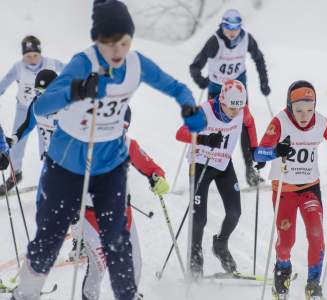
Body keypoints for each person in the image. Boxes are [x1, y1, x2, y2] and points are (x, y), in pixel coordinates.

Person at [11, 1, 205, 300]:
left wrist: (189, 106)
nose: (117, 51)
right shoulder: (82, 63)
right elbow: (42, 105)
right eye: (108, 43)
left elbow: (176, 86)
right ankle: (23, 294)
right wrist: (76, 91)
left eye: (124, 43)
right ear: (96, 40)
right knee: (48, 242)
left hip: (109, 165)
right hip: (66, 165)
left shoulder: (137, 64)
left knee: (118, 242)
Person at [253, 81, 327, 300]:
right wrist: (275, 151)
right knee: (286, 241)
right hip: (285, 190)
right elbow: (258, 154)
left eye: (310, 109)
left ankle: (313, 284)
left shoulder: (321, 122)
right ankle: (282, 271)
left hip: (310, 188)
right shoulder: (280, 122)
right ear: (289, 106)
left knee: (316, 235)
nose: (304, 115)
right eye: (299, 110)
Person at [176, 79, 258, 278]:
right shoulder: (204, 112)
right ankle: (195, 259)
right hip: (200, 164)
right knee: (199, 219)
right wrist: (204, 138)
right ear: (221, 101)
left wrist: (254, 149)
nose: (235, 113)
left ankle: (220, 244)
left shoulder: (242, 111)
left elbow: (250, 123)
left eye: (239, 108)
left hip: (222, 164)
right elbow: (180, 134)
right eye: (231, 108)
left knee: (235, 213)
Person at [79, 133, 169, 300]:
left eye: (123, 126)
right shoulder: (81, 143)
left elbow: (150, 166)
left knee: (134, 263)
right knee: (98, 269)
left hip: (121, 214)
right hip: (91, 216)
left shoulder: (127, 144)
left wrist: (157, 177)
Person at [189, 8, 270, 187]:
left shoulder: (247, 39)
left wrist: (264, 82)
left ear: (240, 27)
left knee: (243, 127)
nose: (232, 32)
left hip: (239, 90)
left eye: (236, 27)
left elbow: (259, 59)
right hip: (217, 91)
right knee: (213, 130)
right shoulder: (214, 42)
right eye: (228, 27)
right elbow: (195, 66)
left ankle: (250, 170)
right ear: (222, 26)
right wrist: (201, 80)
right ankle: (208, 170)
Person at [0, 35, 64, 194]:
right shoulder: (18, 67)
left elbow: (71, 70)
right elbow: (4, 82)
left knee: (46, 143)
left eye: (35, 55)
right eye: (28, 56)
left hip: (50, 110)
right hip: (25, 107)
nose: (32, 59)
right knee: (16, 144)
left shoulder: (51, 63)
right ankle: (15, 175)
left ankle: (51, 172)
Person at [8, 69, 59, 161]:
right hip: (51, 158)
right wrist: (14, 139)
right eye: (38, 91)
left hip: (69, 161)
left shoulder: (67, 107)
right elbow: (27, 125)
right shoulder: (36, 106)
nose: (41, 96)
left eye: (45, 92)